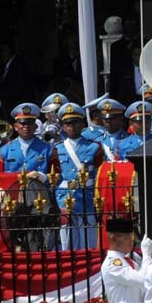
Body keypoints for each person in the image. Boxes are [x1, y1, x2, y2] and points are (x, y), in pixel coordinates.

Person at [53, 103, 103, 250]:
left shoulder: (95, 147)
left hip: (87, 197)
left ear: (82, 124)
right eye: (67, 123)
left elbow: (99, 174)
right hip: (64, 198)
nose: (71, 126)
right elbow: (55, 177)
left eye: (75, 122)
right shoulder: (57, 149)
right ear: (62, 126)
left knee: (90, 240)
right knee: (66, 240)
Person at [0, 103, 59, 180]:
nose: (26, 126)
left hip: (38, 191)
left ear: (36, 126)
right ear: (15, 127)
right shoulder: (5, 150)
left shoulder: (48, 150)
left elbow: (58, 177)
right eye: (22, 123)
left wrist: (44, 177)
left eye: (30, 123)